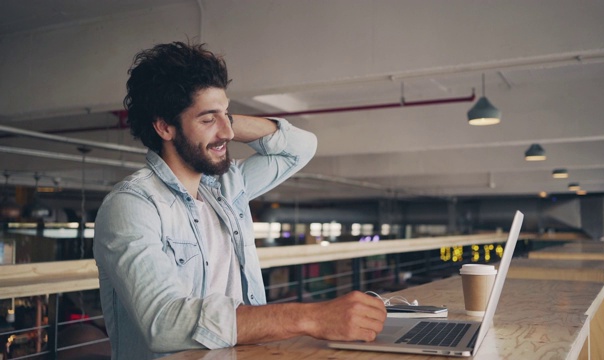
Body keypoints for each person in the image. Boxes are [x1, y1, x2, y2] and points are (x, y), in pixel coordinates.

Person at [93, 41, 386, 359]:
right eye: (207, 120)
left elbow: (302, 147)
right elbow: (164, 323)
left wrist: (219, 120)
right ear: (165, 126)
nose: (229, 133)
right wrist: (311, 317)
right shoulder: (132, 206)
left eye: (227, 114)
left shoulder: (226, 188)